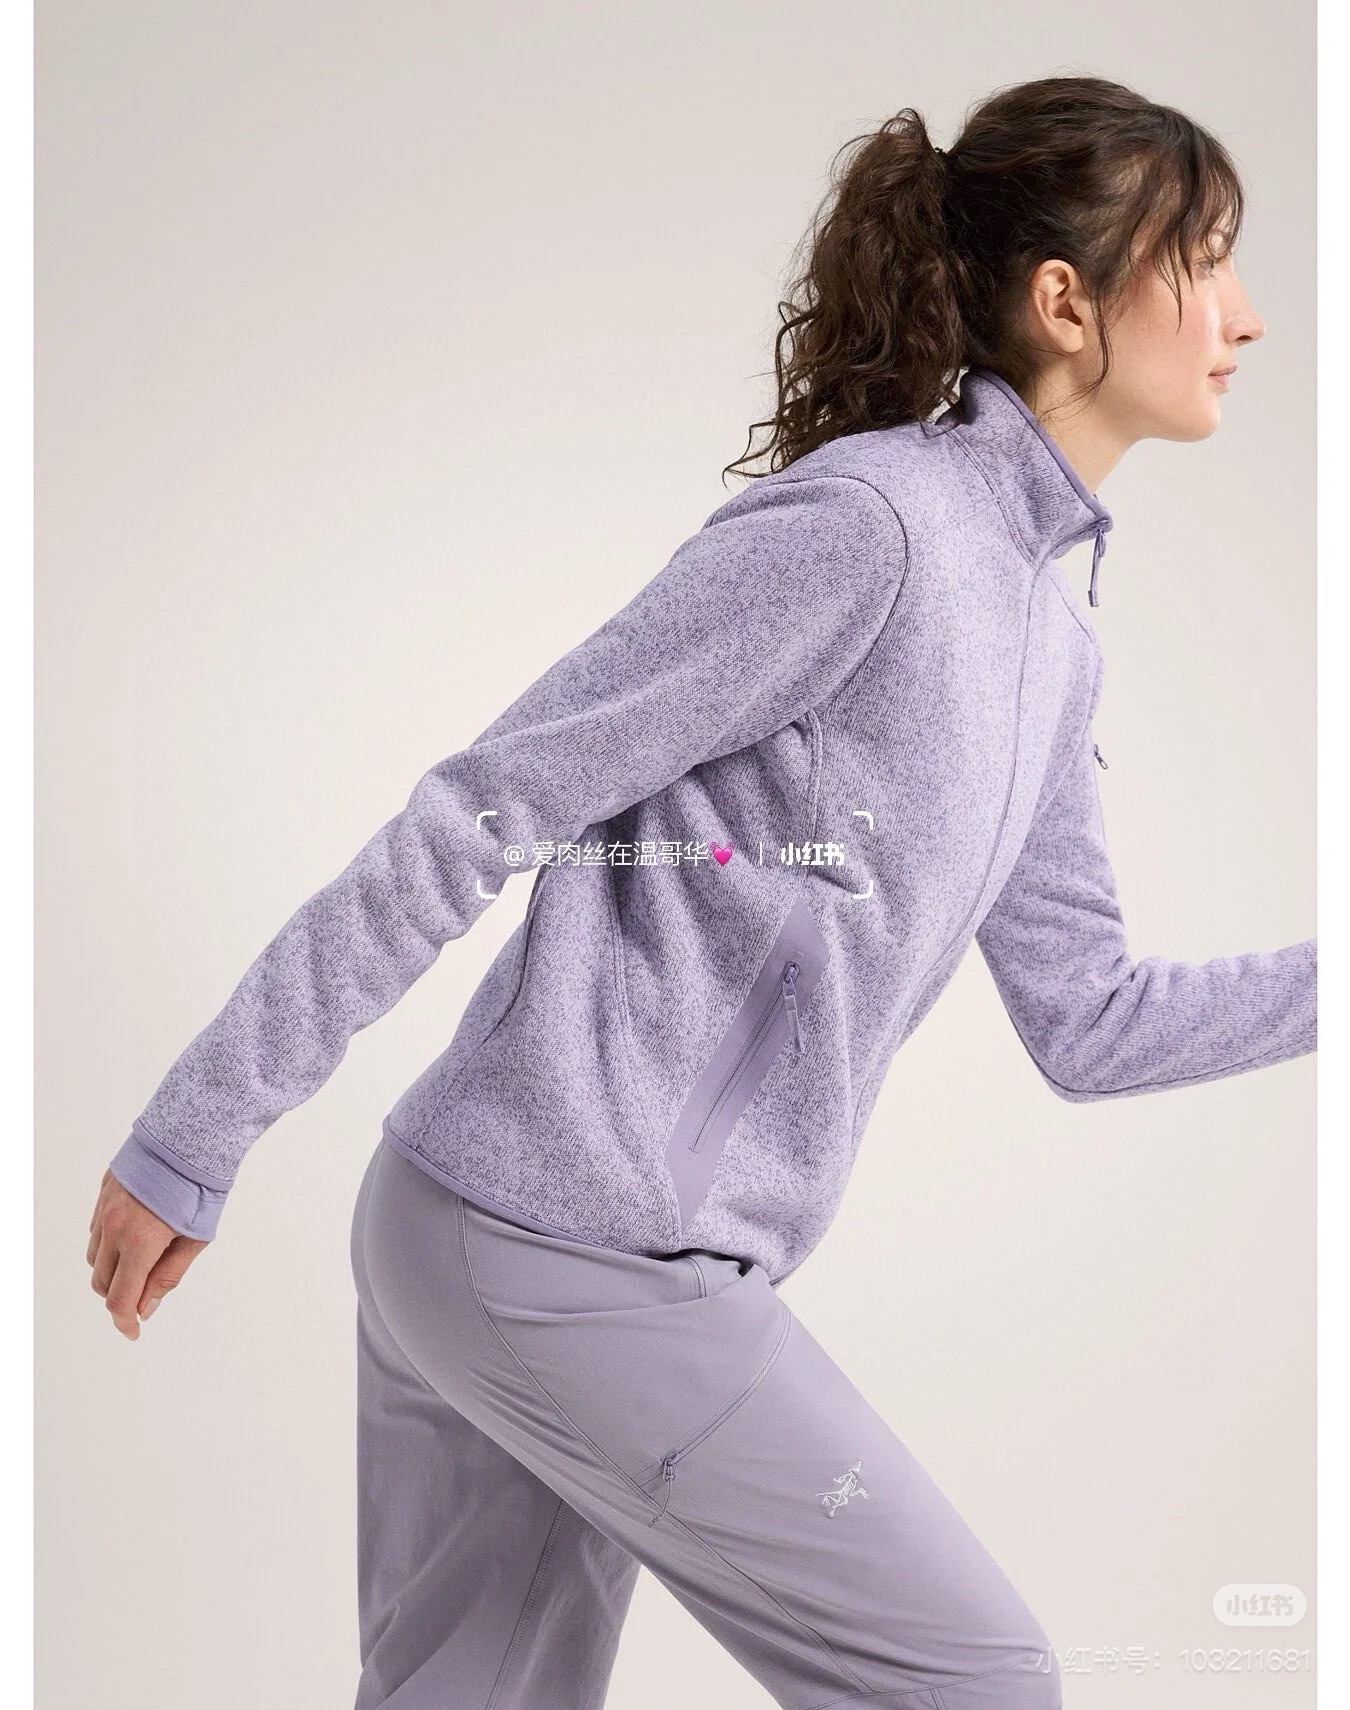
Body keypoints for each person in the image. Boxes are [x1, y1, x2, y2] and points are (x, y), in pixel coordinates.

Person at [87, 73, 1315, 1710]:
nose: (1243, 316)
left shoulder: (1048, 644)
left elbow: (1090, 1019)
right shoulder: (869, 528)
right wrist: (201, 1124)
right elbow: (488, 800)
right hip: (569, 1248)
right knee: (977, 1681)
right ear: (1065, 302)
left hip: (521, 1242)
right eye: (1205, 261)